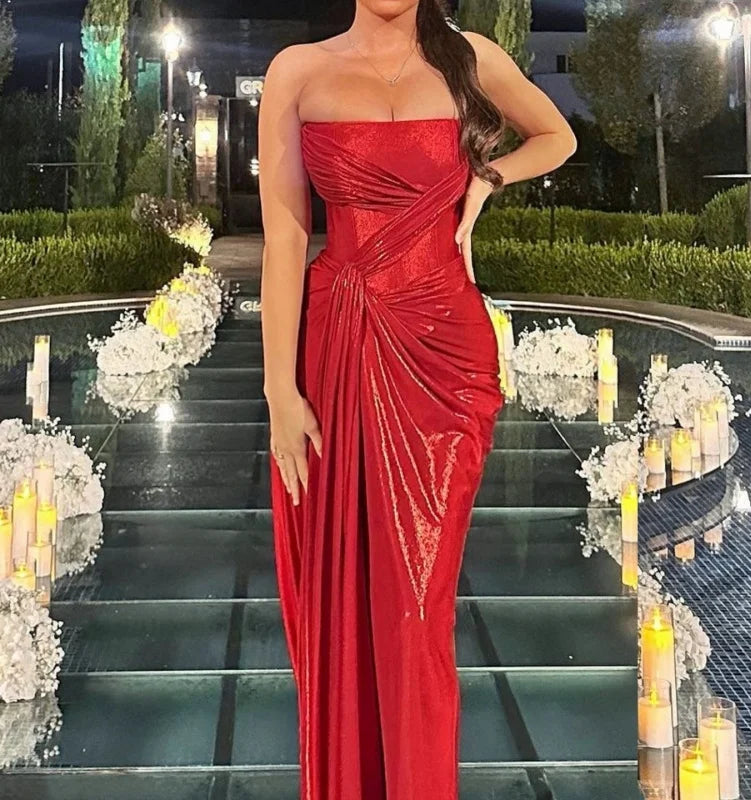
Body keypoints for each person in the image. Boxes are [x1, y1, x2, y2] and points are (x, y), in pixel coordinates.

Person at [257, 1, 576, 797]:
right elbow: (286, 237)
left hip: (447, 359)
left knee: (419, 605)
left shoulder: (471, 58)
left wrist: (487, 177)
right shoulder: (297, 71)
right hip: (337, 348)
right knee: (344, 598)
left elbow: (556, 136)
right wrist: (278, 390)